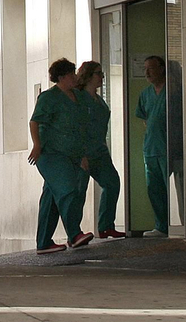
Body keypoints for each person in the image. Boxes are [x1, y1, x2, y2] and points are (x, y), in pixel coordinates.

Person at [27, 57, 96, 254]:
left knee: (50, 200)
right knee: (67, 190)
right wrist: (37, 145)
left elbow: (80, 128)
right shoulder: (49, 98)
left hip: (71, 155)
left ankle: (44, 242)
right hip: (50, 154)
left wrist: (82, 155)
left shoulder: (78, 97)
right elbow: (35, 122)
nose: (75, 77)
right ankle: (74, 234)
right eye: (71, 74)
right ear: (62, 77)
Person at [74, 61, 125, 239]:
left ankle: (106, 225)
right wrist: (80, 153)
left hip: (99, 151)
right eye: (98, 73)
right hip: (83, 152)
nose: (101, 77)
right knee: (79, 192)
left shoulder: (99, 100)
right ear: (88, 76)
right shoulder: (78, 98)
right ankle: (74, 232)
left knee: (112, 183)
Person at [136, 55, 174, 236]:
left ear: (161, 68)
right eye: (145, 68)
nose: (147, 72)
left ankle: (176, 225)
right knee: (154, 189)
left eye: (150, 68)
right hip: (151, 148)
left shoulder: (173, 91)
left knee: (171, 188)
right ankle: (161, 226)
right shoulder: (145, 94)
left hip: (168, 147)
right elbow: (145, 119)